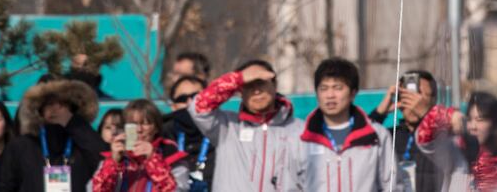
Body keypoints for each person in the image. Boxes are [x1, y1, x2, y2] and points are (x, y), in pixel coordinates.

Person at [286, 57, 404, 191]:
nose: (330, 95)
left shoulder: (377, 136)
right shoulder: (300, 140)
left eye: (337, 88)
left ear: (353, 93)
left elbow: (392, 187)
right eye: (324, 88)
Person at [189, 59, 299, 190]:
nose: (256, 91)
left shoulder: (299, 130)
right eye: (249, 85)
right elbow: (198, 107)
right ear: (240, 91)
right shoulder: (226, 126)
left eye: (261, 83)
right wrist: (237, 79)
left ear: (274, 85)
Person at [0, 78, 106, 192]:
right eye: (49, 104)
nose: (55, 109)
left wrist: (73, 123)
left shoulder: (82, 141)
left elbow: (104, 161)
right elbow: (5, 186)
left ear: (72, 109)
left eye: (62, 104)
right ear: (40, 110)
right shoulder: (21, 146)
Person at [414, 92, 497, 191]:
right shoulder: (457, 154)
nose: (473, 126)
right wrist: (447, 116)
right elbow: (425, 139)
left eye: (480, 119)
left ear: (495, 123)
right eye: (470, 119)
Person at [369, 70, 444, 192]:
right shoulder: (389, 136)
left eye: (419, 95)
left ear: (434, 100)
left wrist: (426, 116)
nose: (413, 101)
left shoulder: (441, 136)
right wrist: (379, 113)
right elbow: (359, 144)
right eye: (408, 94)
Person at [91, 99, 188, 192]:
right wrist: (113, 162)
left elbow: (178, 190)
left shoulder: (170, 154)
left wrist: (153, 159)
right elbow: (96, 189)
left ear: (156, 128)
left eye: (145, 123)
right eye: (133, 124)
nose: (139, 130)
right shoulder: (116, 155)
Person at [162, 76, 213, 189]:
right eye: (182, 99)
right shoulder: (161, 140)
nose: (190, 103)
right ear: (173, 106)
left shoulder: (224, 134)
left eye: (196, 97)